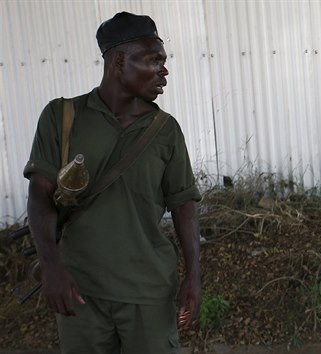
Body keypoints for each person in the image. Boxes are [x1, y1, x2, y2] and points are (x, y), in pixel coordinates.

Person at [24, 12, 201, 354]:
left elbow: (184, 206)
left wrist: (193, 278)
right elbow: (39, 195)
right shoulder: (61, 118)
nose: (164, 71)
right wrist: (51, 266)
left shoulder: (165, 131)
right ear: (120, 61)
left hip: (149, 293)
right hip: (81, 292)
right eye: (155, 60)